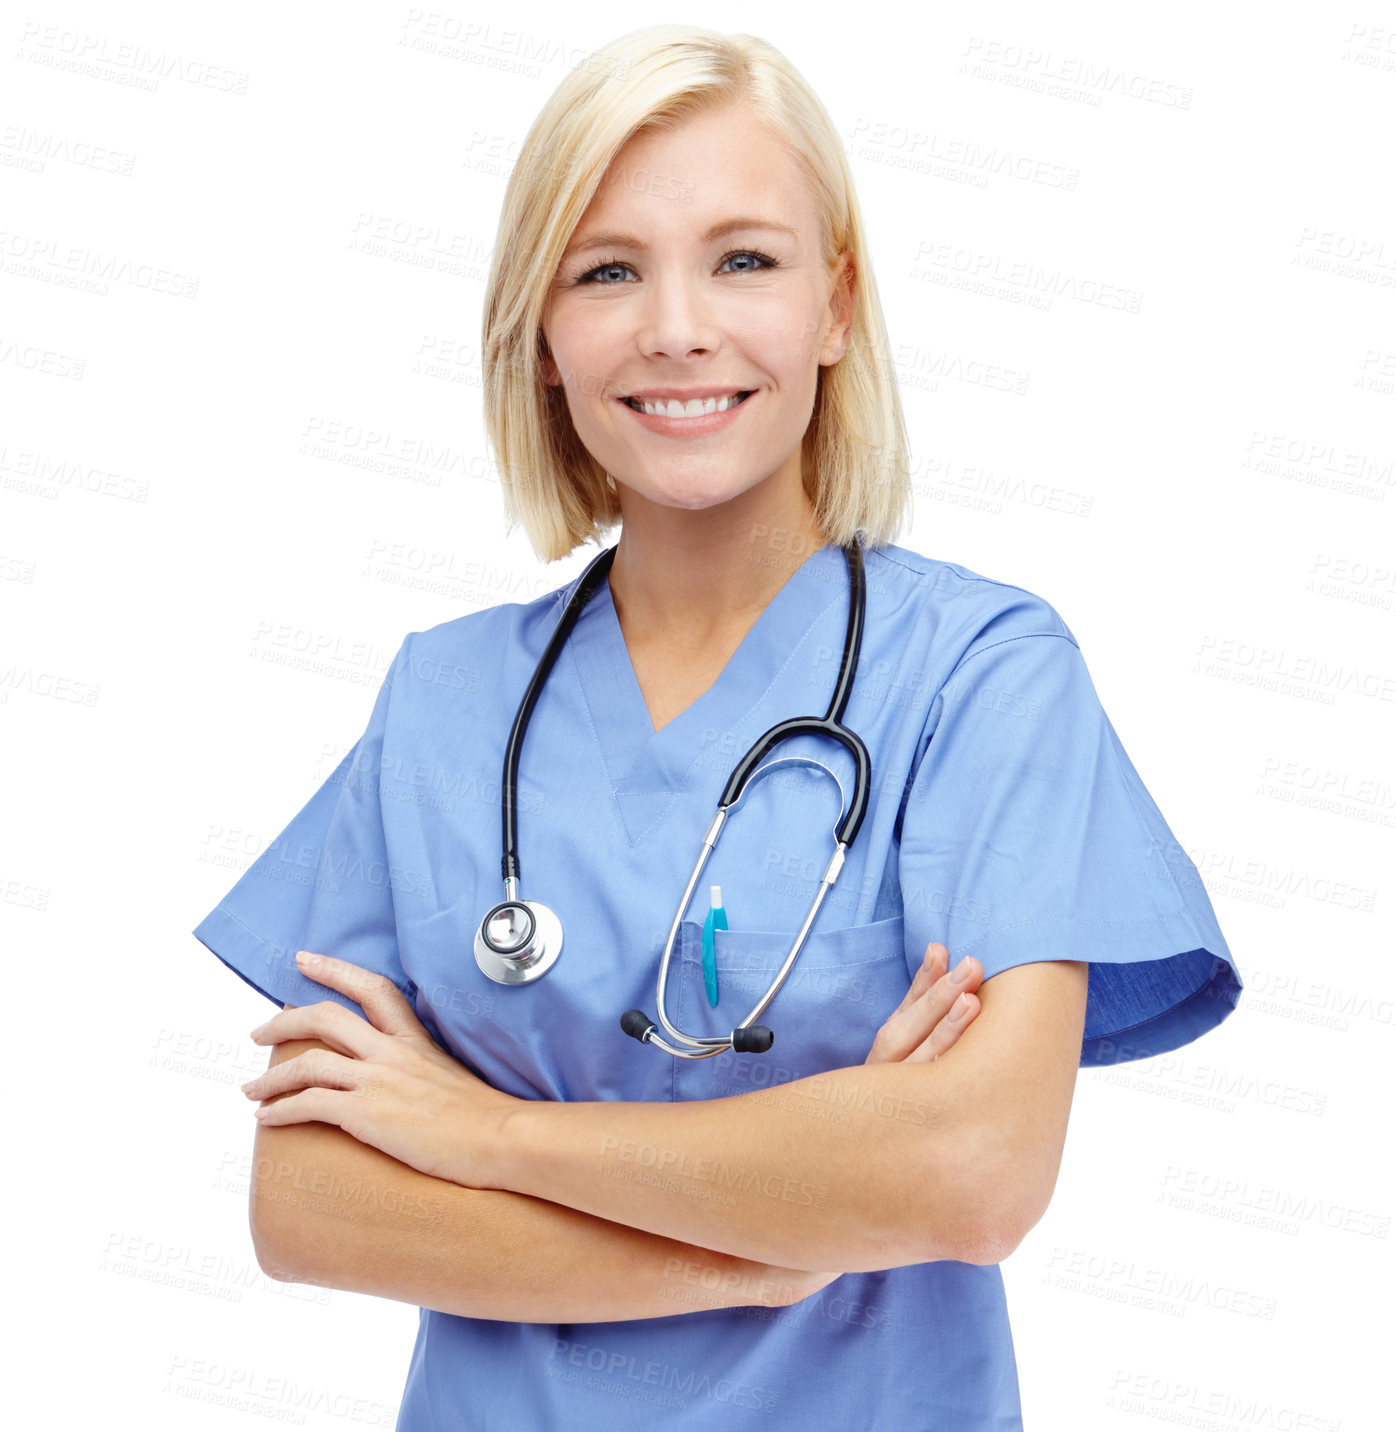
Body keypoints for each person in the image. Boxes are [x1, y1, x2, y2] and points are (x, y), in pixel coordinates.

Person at [194, 25, 1242, 1429]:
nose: (676, 325)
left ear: (836, 305)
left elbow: (976, 1172)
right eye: (606, 268)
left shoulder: (983, 676)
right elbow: (311, 1204)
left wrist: (482, 1134)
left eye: (743, 259)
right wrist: (764, 1237)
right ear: (544, 336)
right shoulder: (441, 703)